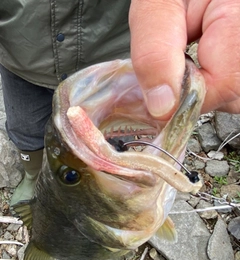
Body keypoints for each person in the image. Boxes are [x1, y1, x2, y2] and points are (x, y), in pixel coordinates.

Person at [0, 0, 240, 206]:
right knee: (26, 129)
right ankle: (33, 177)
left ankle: (109, 188)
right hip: (23, 60)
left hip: (110, 61)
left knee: (115, 139)